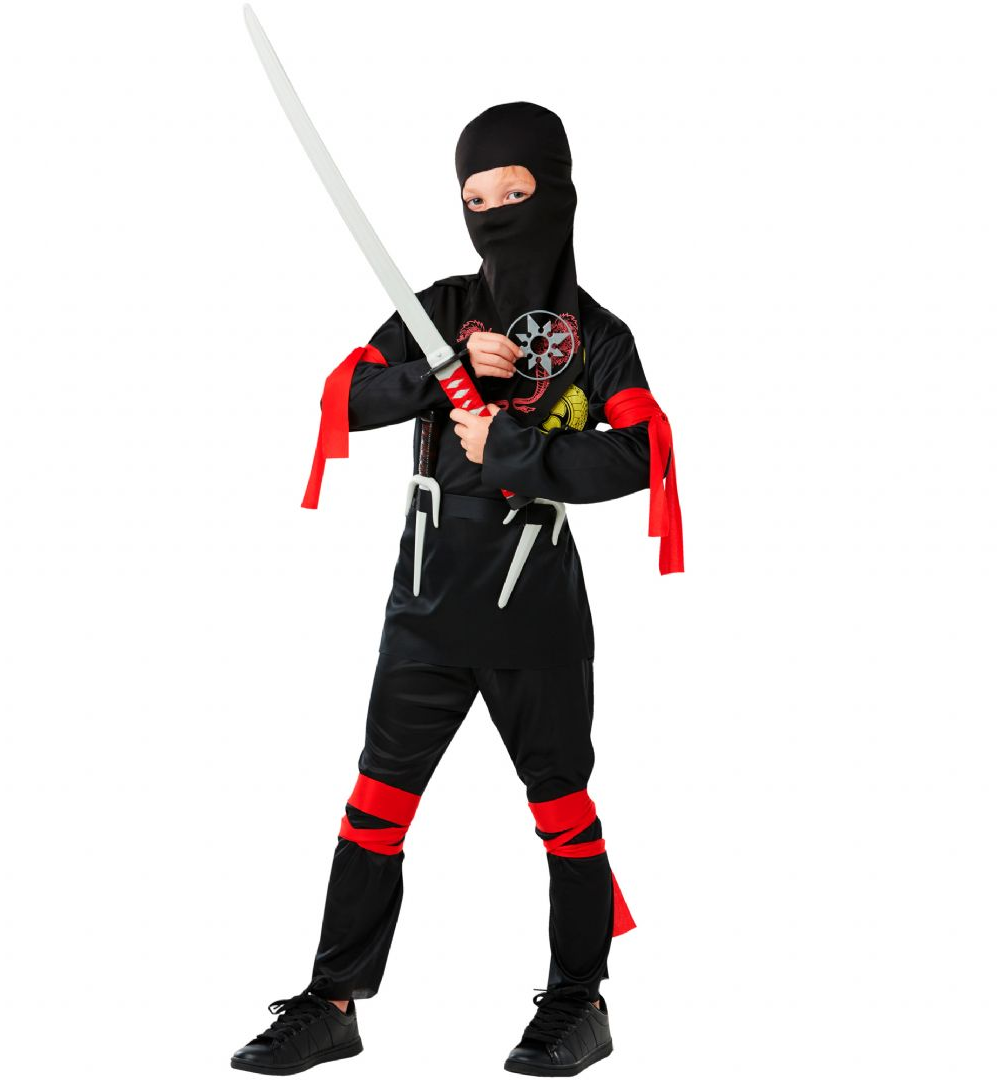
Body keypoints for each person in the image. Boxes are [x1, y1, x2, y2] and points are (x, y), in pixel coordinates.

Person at [230, 101, 683, 1077]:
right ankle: (333, 1002)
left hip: (536, 608)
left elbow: (643, 452)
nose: (495, 214)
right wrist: (440, 380)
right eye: (475, 200)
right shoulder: (436, 311)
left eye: (514, 193)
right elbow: (345, 398)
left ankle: (579, 1002)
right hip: (427, 603)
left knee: (562, 806)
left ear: (556, 193)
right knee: (375, 804)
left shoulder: (600, 336)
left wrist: (515, 447)